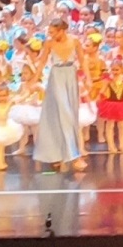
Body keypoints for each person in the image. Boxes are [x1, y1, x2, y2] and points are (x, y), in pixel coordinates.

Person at [33, 17, 89, 172]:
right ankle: (73, 156)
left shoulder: (74, 41)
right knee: (62, 115)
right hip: (56, 78)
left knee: (70, 115)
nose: (50, 35)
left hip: (70, 77)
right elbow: (42, 62)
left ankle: (60, 154)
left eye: (53, 32)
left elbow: (82, 60)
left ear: (62, 30)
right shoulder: (49, 43)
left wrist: (89, 79)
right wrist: (34, 79)